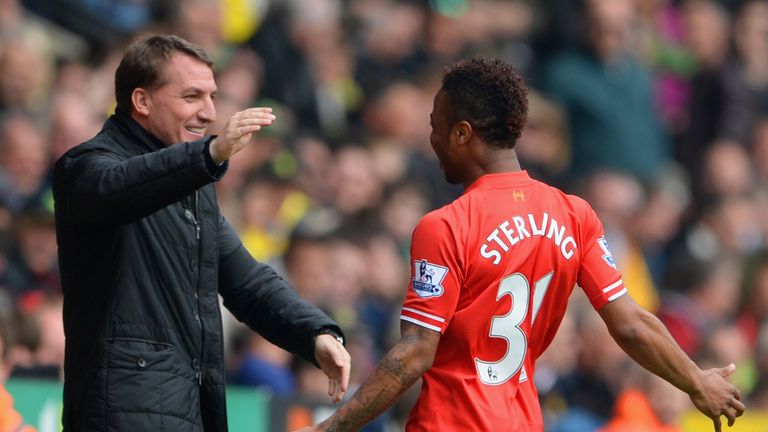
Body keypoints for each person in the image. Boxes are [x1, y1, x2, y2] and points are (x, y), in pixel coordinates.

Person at [296, 57, 744, 432]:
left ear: (462, 133)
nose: (430, 139)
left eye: (437, 126)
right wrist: (695, 381)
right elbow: (630, 324)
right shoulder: (574, 214)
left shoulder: (445, 225)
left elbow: (414, 352)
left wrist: (331, 427)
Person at [52, 34, 351, 431]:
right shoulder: (86, 166)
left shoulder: (192, 186)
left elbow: (247, 282)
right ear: (141, 101)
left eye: (212, 97)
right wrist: (207, 155)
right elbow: (122, 188)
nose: (209, 113)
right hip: (122, 409)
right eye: (192, 97)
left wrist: (315, 332)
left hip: (188, 405)